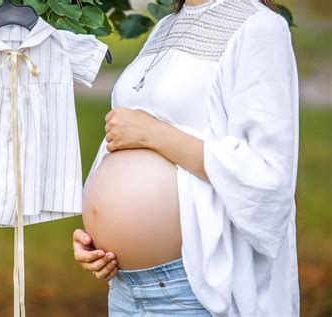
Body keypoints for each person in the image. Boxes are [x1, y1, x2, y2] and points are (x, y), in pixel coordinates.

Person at [73, 0, 300, 316]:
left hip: (193, 289)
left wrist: (155, 134)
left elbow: (269, 175)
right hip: (125, 288)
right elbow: (124, 133)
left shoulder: (259, 26)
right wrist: (97, 237)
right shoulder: (165, 27)